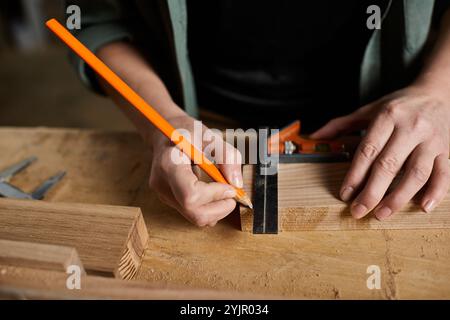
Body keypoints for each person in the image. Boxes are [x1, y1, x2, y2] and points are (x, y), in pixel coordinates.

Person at [68, 1, 450, 226]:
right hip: (200, 116)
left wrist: (437, 90)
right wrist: (163, 120)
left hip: (390, 121)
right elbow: (96, 19)